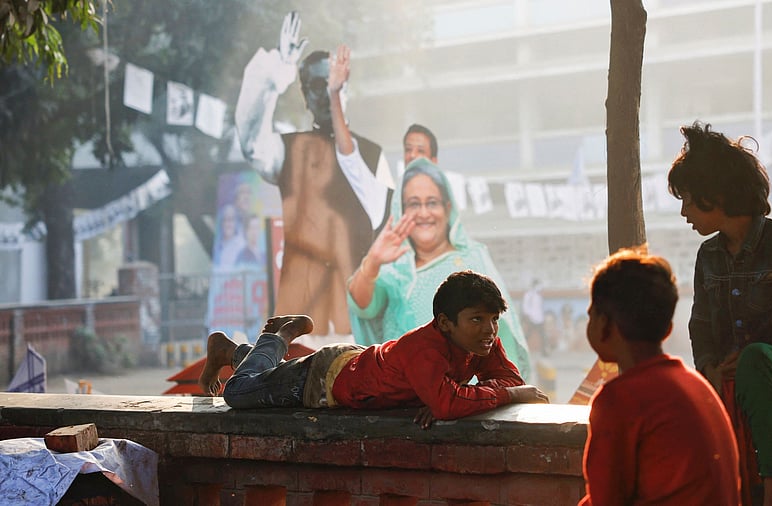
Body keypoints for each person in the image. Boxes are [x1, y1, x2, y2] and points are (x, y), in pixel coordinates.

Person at [667, 122, 772, 506]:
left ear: (715, 196)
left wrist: (762, 356)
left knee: (758, 359)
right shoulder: (707, 256)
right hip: (731, 383)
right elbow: (701, 329)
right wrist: (711, 368)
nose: (683, 212)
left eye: (689, 200)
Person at [199, 270, 549, 428]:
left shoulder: (482, 341)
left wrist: (455, 397)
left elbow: (501, 380)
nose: (489, 330)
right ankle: (280, 335)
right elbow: (451, 403)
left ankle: (229, 350)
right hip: (322, 381)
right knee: (238, 391)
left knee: (258, 378)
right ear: (445, 322)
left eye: (493, 319)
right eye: (476, 319)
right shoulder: (424, 349)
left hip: (355, 366)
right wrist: (504, 396)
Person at [234, 12, 393, 335]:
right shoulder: (287, 150)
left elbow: (388, 235)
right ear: (304, 96)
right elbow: (252, 144)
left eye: (332, 84)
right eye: (315, 86)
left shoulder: (374, 156)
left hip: (359, 322)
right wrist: (276, 75)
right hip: (300, 323)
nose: (325, 93)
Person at [346, 157, 533, 380]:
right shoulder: (393, 269)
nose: (424, 213)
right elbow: (363, 308)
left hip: (468, 397)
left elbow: (500, 332)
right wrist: (373, 262)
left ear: (447, 208)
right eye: (414, 204)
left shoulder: (473, 258)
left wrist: (495, 391)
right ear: (401, 210)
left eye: (432, 202)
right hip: (403, 399)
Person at [579, 247, 740, 506]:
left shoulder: (618, 400)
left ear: (605, 324)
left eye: (591, 314)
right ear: (667, 329)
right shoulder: (695, 384)